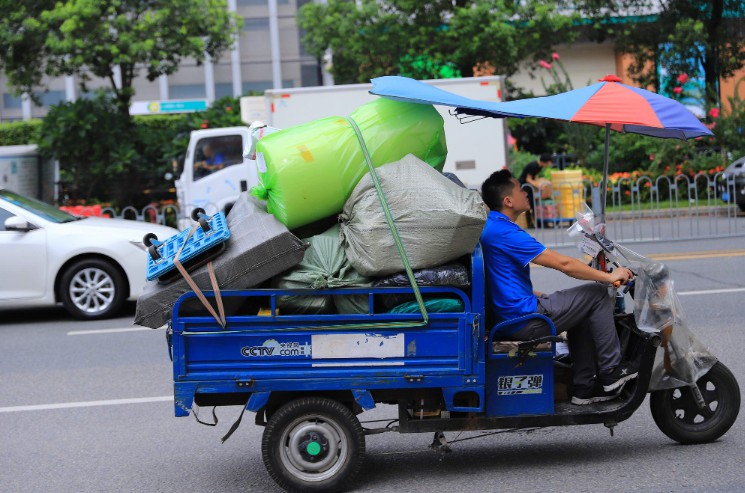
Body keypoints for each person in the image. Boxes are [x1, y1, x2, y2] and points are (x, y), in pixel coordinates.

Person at [480, 169, 638, 405]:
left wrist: (538, 294)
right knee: (595, 294)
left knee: (581, 307)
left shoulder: (492, 226)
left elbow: (500, 279)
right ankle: (610, 373)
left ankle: (584, 389)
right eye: (520, 189)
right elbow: (563, 264)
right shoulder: (504, 232)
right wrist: (609, 277)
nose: (526, 192)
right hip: (523, 320)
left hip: (512, 314)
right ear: (508, 201)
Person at [518, 153, 553, 228]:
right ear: (544, 162)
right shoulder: (534, 166)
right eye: (548, 162)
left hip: (529, 186)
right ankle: (530, 223)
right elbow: (528, 179)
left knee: (534, 204)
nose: (549, 164)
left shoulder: (539, 167)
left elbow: (534, 177)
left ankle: (538, 223)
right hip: (524, 186)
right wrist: (539, 186)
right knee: (529, 204)